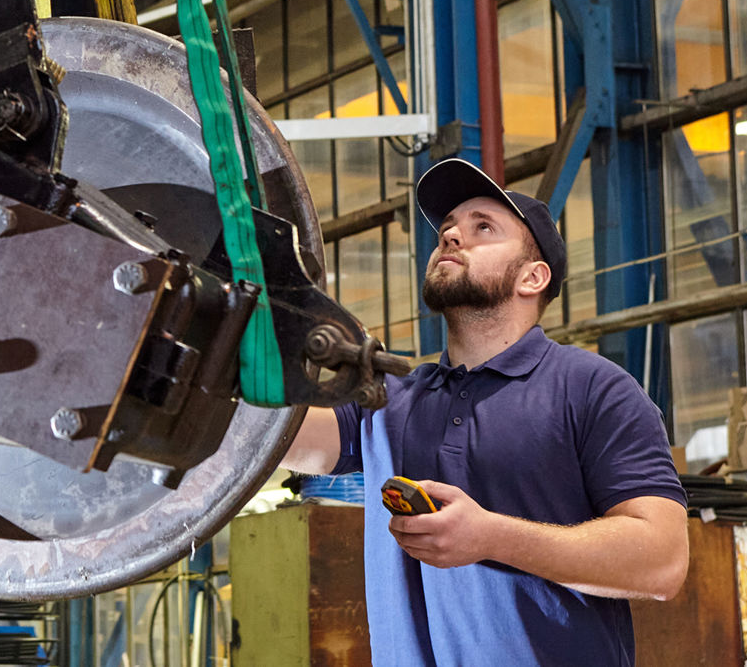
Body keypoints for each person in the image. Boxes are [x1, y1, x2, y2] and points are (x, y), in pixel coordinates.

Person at [281, 157, 688, 666]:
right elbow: (278, 436)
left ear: (532, 277)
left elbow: (663, 561)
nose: (452, 236)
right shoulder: (393, 397)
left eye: (483, 227)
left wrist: (491, 536)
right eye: (448, 228)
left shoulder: (593, 389)